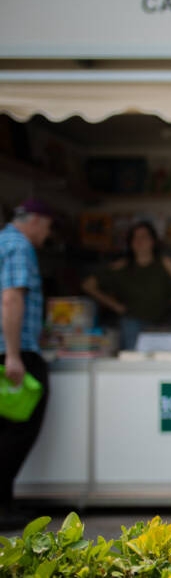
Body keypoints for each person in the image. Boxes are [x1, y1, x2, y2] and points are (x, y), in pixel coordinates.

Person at [0, 198, 54, 530]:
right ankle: (2, 507)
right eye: (47, 226)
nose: (47, 234)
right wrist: (14, 354)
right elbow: (11, 297)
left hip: (9, 350)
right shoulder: (19, 246)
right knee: (18, 431)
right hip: (14, 355)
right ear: (35, 221)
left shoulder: (3, 240)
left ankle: (5, 504)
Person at [81, 221, 171, 350]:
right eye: (135, 237)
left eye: (144, 237)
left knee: (165, 359)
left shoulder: (165, 263)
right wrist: (115, 305)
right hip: (132, 322)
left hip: (162, 322)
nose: (139, 241)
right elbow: (88, 285)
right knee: (132, 359)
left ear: (153, 241)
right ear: (130, 242)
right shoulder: (121, 266)